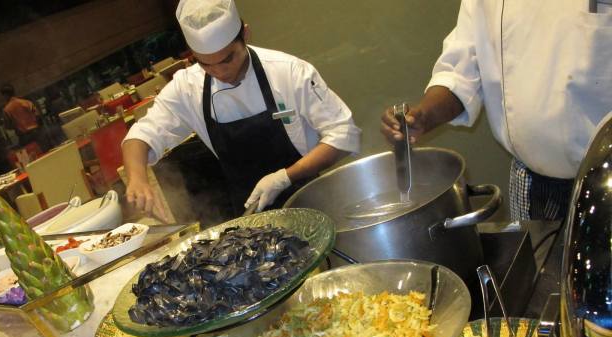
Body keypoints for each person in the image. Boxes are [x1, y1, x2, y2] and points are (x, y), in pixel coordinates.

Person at [123, 0, 361, 218]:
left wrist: (285, 177)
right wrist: (137, 178)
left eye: (228, 59)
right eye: (206, 64)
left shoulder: (288, 71)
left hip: (312, 202)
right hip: (251, 217)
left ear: (245, 34)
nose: (220, 72)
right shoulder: (188, 87)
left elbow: (343, 135)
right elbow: (142, 135)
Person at [380, 0, 612, 221]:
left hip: (606, 184)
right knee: (539, 261)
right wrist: (423, 116)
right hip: (533, 184)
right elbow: (463, 69)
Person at [0, 84, 49, 150]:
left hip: (24, 137)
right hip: (37, 132)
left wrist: (15, 124)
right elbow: (38, 115)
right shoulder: (26, 102)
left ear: (5, 95)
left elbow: (8, 126)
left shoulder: (6, 110)